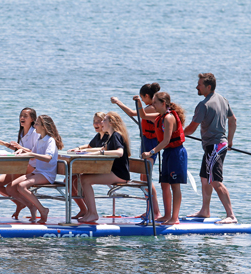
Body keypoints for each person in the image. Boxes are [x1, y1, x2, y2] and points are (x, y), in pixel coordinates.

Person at [184, 73, 238, 224]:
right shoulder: (223, 99)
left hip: (214, 147)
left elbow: (191, 129)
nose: (196, 87)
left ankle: (231, 216)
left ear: (208, 87)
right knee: (204, 178)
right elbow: (233, 120)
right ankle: (205, 211)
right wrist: (230, 141)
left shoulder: (203, 105)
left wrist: (175, 134)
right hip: (217, 145)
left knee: (215, 181)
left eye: (199, 84)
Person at [111, 83, 163, 219]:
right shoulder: (148, 107)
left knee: (147, 177)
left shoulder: (151, 108)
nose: (142, 100)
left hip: (151, 144)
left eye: (142, 97)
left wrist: (119, 102)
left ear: (146, 96)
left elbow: (134, 113)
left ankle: (155, 211)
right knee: (143, 177)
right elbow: (136, 114)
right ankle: (150, 209)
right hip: (145, 142)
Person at [139, 92, 188, 225]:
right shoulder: (159, 116)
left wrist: (151, 152)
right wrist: (138, 101)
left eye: (155, 102)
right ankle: (167, 215)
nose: (152, 105)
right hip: (167, 153)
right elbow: (142, 115)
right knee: (164, 184)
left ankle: (175, 218)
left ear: (163, 104)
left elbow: (166, 140)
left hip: (176, 153)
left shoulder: (169, 118)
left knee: (175, 186)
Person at [6, 115, 64, 224]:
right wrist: (21, 151)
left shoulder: (50, 140)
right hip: (37, 172)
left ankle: (43, 210)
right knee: (10, 188)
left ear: (44, 127)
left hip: (47, 174)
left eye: (36, 124)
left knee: (22, 186)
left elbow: (48, 158)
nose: (34, 126)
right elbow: (32, 156)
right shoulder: (39, 139)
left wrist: (31, 153)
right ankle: (32, 207)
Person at [77, 112, 131, 224]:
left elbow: (120, 152)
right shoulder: (110, 136)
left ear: (111, 123)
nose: (102, 123)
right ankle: (90, 212)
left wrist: (102, 153)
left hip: (119, 174)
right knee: (83, 178)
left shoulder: (116, 135)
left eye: (104, 120)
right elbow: (100, 149)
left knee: (85, 180)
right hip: (114, 172)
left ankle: (93, 213)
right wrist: (82, 151)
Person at [0, 107, 39, 219]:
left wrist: (21, 148)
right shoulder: (22, 133)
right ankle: (20, 203)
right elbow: (19, 149)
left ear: (32, 119)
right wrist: (4, 144)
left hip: (34, 167)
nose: (22, 118)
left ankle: (32, 206)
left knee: (12, 181)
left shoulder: (35, 133)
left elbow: (36, 153)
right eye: (21, 115)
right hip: (22, 166)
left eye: (25, 116)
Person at [67, 112, 109, 219]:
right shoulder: (98, 136)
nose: (96, 124)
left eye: (99, 121)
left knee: (79, 180)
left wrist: (84, 150)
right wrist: (79, 148)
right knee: (68, 180)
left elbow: (103, 149)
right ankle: (83, 209)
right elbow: (90, 146)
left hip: (105, 169)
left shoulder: (109, 136)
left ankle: (92, 212)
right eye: (94, 121)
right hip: (93, 167)